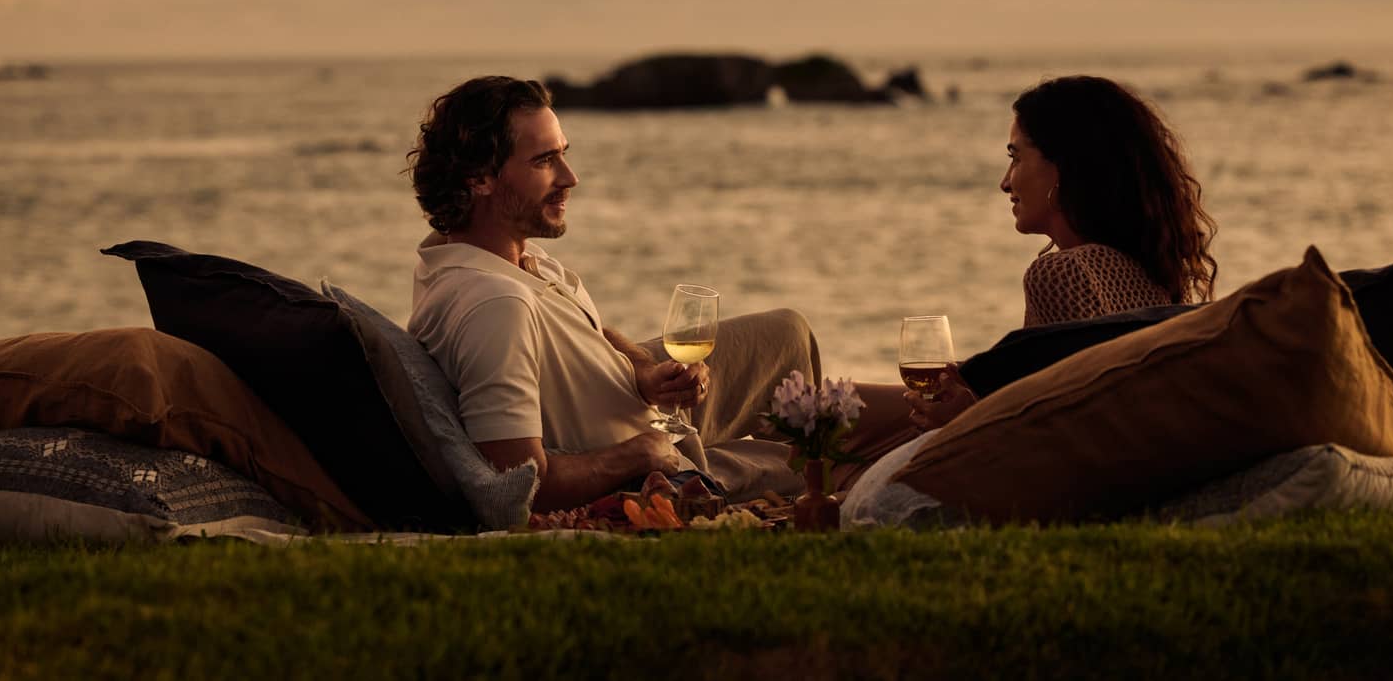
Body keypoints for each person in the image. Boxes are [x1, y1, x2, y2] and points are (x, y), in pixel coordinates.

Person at [404, 75, 911, 511]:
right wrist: (638, 454)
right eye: (544, 162)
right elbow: (520, 483)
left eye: (564, 155)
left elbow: (585, 329)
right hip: (657, 461)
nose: (570, 178)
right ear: (479, 179)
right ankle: (951, 412)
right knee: (830, 463)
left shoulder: (485, 255)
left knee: (787, 334)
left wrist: (643, 371)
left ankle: (941, 403)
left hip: (643, 403)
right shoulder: (496, 307)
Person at [901, 75, 1218, 432]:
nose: (1005, 182)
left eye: (1016, 158)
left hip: (1035, 473)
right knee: (840, 408)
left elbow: (1075, 431)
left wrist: (966, 422)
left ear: (1064, 168)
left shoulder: (1063, 273)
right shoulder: (1146, 272)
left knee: (846, 429)